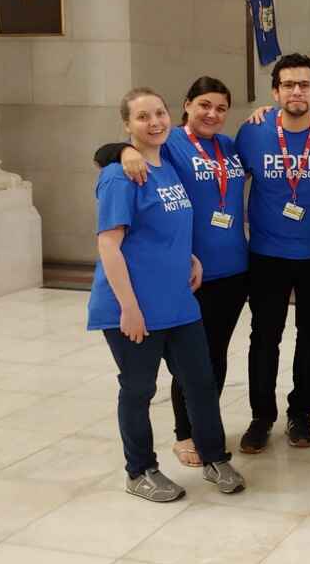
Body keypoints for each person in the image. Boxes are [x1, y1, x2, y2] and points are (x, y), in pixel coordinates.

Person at [88, 87, 245, 502]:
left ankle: (214, 457)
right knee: (139, 390)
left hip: (177, 301)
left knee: (200, 381)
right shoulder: (121, 175)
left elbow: (168, 225)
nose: (154, 122)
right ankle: (139, 470)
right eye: (142, 117)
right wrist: (129, 308)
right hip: (135, 307)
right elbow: (109, 244)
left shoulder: (166, 167)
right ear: (127, 126)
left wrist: (190, 256)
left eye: (158, 113)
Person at [236, 53, 310, 453]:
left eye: (304, 84)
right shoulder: (252, 132)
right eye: (288, 84)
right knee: (264, 337)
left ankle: (300, 411)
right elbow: (230, 179)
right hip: (267, 252)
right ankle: (261, 416)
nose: (297, 91)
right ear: (275, 91)